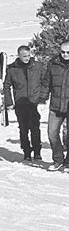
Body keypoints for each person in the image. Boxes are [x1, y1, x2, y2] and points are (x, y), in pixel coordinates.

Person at [3, 45, 46, 162]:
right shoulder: (12, 69)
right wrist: (9, 102)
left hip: (34, 102)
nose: (27, 58)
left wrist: (42, 97)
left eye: (29, 55)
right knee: (23, 128)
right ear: (19, 56)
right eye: (24, 56)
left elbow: (45, 82)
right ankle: (26, 152)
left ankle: (37, 151)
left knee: (35, 127)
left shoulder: (37, 66)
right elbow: (6, 86)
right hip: (20, 102)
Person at [42, 41, 69, 171]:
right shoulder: (53, 63)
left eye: (68, 52)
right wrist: (43, 96)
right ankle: (58, 159)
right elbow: (47, 81)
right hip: (56, 105)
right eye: (63, 52)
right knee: (52, 133)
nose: (65, 54)